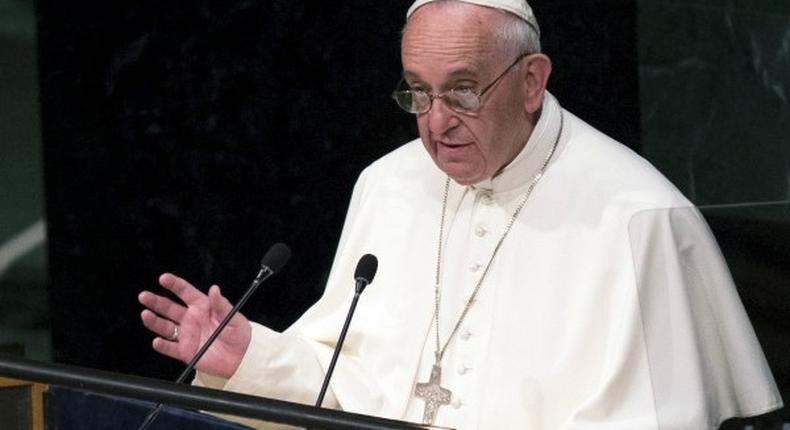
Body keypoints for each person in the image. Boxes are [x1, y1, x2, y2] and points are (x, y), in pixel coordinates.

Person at [138, 1, 783, 428]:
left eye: (463, 89)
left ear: (532, 81)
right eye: (417, 91)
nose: (436, 122)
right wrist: (253, 356)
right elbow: (351, 390)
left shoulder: (641, 219)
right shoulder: (387, 185)